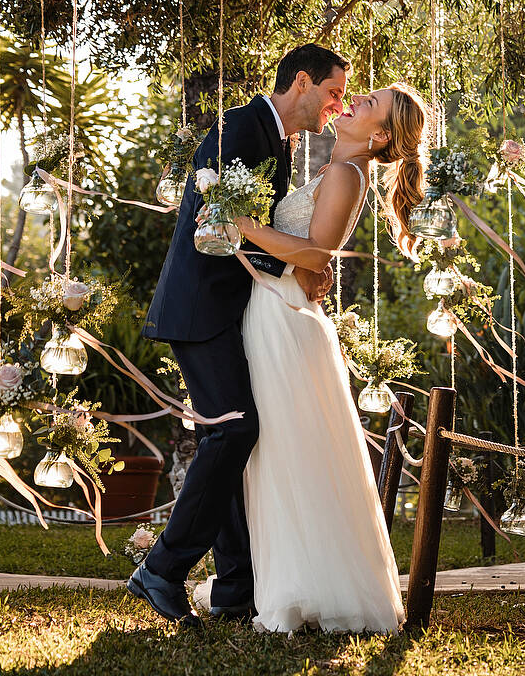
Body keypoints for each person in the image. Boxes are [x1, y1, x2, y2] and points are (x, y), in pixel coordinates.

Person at [196, 81, 429, 634]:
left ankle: (299, 592)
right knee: (279, 456)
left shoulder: (349, 176)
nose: (356, 101)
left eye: (370, 104)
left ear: (378, 136)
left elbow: (316, 253)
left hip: (284, 320)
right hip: (278, 308)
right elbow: (308, 256)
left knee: (283, 456)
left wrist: (242, 223)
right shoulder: (334, 172)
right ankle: (278, 582)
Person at [128, 43, 348, 627]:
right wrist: (296, 263)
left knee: (230, 435)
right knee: (235, 431)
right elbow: (217, 221)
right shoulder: (241, 129)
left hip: (230, 310)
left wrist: (299, 270)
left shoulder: (276, 139)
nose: (337, 105)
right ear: (301, 83)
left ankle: (232, 590)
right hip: (200, 310)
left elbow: (258, 228)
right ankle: (162, 570)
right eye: (332, 93)